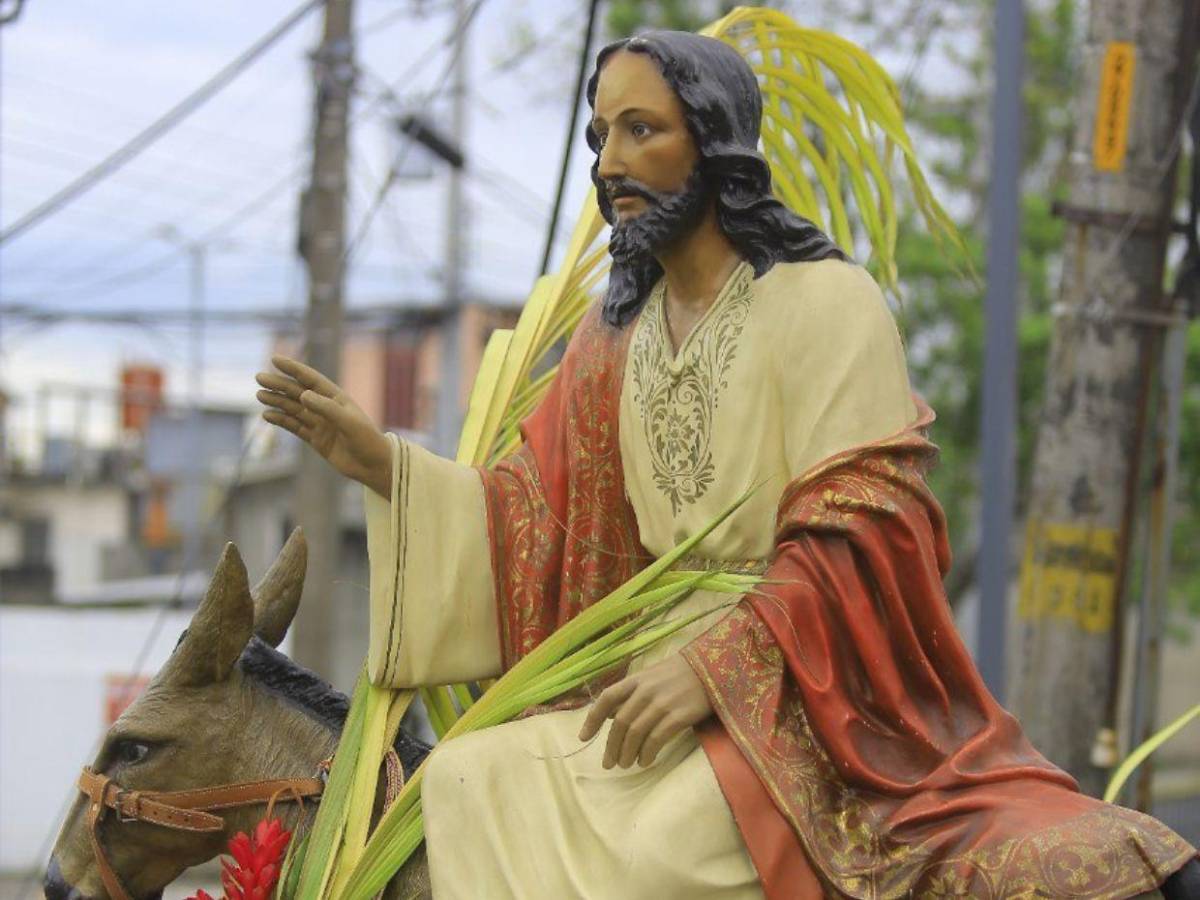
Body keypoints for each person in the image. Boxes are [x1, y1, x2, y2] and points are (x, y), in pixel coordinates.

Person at [257, 31, 1198, 899]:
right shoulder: (609, 343)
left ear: (713, 143)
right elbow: (531, 522)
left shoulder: (827, 303)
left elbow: (865, 526)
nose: (611, 164)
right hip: (641, 683)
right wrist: (385, 467)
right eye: (600, 138)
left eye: (641, 130)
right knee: (466, 775)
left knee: (654, 850)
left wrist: (716, 667)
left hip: (803, 692)